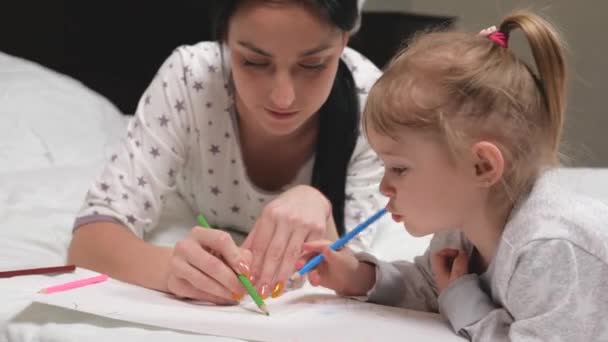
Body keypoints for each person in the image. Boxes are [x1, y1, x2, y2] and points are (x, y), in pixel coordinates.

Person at [301, 10, 608, 341]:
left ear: (482, 166)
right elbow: (435, 283)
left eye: (399, 168)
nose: (385, 187)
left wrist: (463, 300)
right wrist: (358, 277)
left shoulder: (551, 249)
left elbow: (455, 294)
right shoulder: (464, 223)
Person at [68, 0, 385, 305]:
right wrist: (171, 270)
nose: (283, 98)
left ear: (344, 41)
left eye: (313, 65)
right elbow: (90, 240)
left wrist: (321, 208)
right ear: (224, 38)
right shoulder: (189, 79)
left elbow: (353, 275)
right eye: (254, 62)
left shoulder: (372, 107)